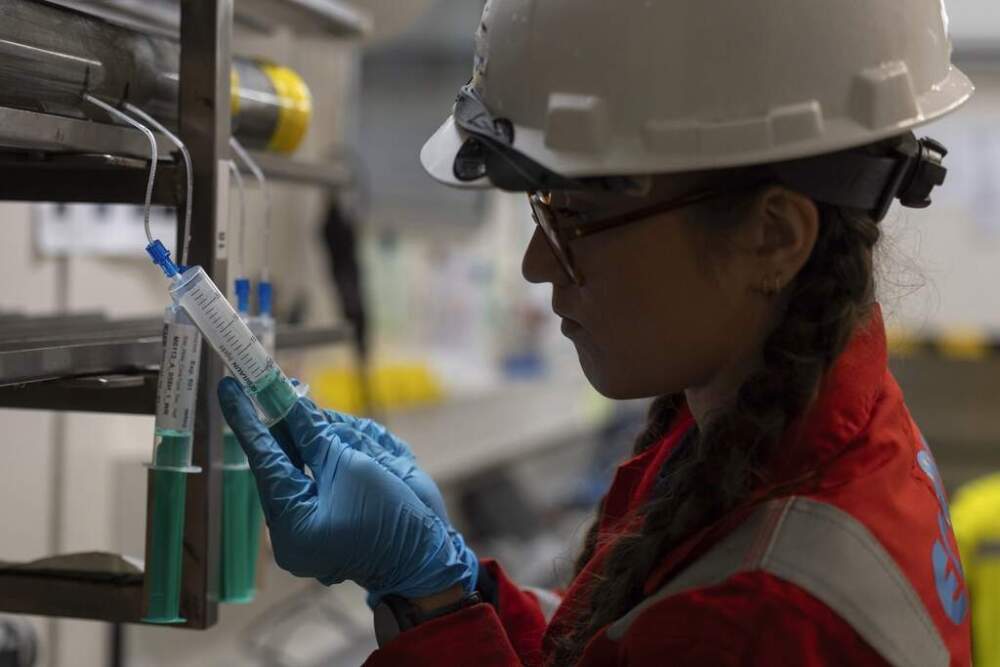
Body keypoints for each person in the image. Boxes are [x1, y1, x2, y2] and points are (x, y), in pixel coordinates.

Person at [218, 0, 976, 664]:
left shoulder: (765, 618)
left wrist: (428, 605)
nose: (536, 262)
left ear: (771, 238)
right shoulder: (767, 418)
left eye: (575, 215)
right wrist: (448, 578)